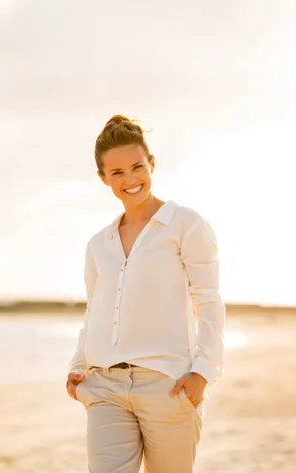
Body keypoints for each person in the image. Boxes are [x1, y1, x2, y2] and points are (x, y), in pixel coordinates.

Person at [66, 114, 226, 473]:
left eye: (137, 167)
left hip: (167, 388)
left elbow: (209, 300)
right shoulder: (98, 244)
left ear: (151, 164)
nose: (130, 179)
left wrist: (203, 371)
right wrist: (78, 365)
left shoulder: (185, 224)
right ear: (103, 178)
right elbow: (96, 312)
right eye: (117, 172)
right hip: (104, 386)